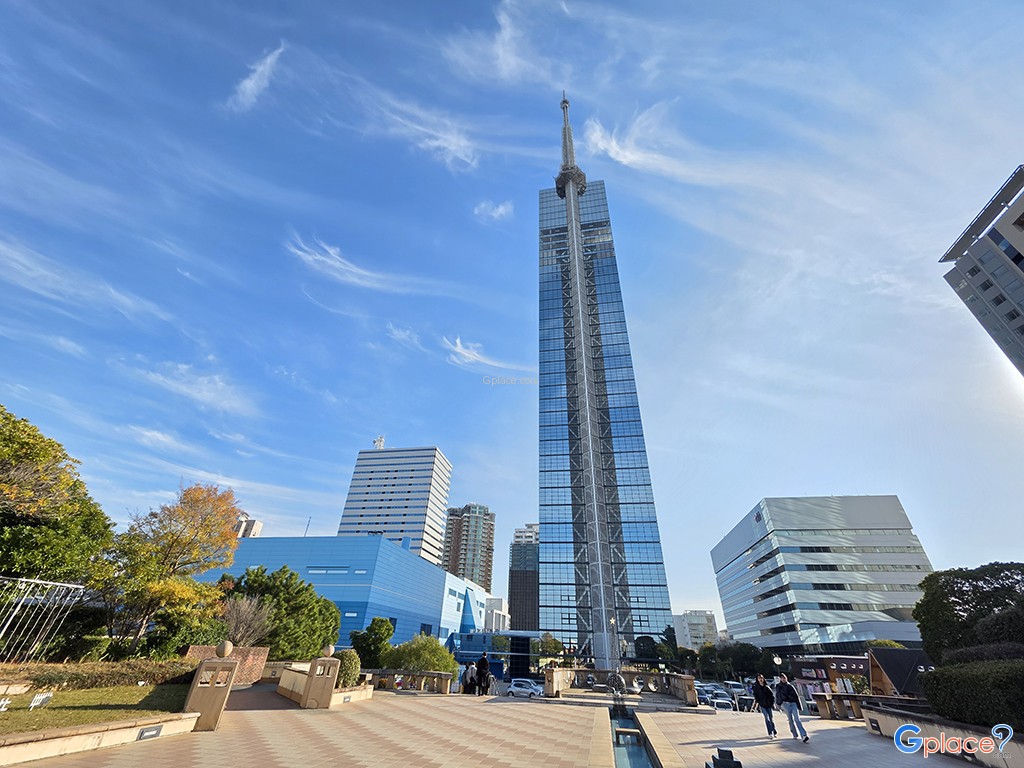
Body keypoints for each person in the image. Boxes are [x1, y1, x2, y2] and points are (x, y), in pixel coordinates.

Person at [775, 673, 808, 742]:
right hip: (785, 704)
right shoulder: (778, 686)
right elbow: (778, 695)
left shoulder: (790, 686)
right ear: (780, 679)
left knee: (797, 719)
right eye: (782, 678)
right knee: (790, 720)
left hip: (793, 703)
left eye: (784, 677)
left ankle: (804, 735)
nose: (783, 679)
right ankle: (794, 733)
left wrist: (799, 706)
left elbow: (796, 696)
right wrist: (778, 704)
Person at [751, 674, 777, 739]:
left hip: (768, 705)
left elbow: (772, 696)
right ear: (757, 679)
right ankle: (770, 732)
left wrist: (772, 703)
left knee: (771, 719)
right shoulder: (756, 688)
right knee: (767, 718)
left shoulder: (767, 687)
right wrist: (756, 704)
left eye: (761, 678)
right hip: (762, 705)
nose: (760, 679)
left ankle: (774, 731)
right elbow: (756, 697)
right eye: (759, 678)